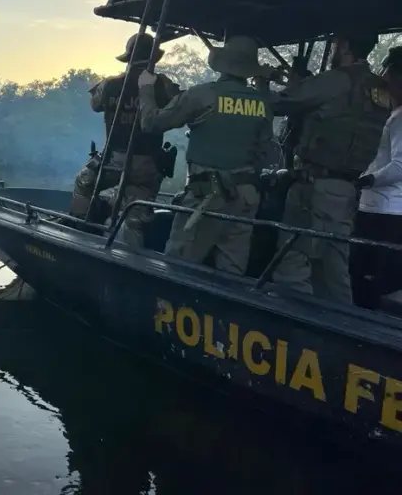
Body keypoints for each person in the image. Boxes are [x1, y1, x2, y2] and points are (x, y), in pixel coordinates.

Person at [263, 33, 392, 304]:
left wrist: (263, 82)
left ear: (344, 46)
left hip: (315, 185)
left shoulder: (337, 80)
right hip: (347, 189)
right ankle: (343, 321)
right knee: (334, 265)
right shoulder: (379, 89)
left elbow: (277, 103)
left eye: (335, 44)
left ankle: (295, 316)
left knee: (293, 257)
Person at [137, 35, 273, 274]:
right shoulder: (262, 102)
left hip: (208, 195)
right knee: (232, 272)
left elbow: (151, 123)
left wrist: (146, 89)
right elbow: (265, 152)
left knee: (179, 266)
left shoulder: (202, 95)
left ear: (223, 64)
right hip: (246, 196)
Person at [69, 32, 181, 247]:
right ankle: (133, 254)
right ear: (153, 58)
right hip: (148, 166)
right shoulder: (164, 85)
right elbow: (178, 108)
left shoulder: (110, 84)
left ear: (128, 57)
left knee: (83, 183)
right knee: (135, 216)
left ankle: (80, 233)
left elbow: (95, 105)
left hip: (113, 161)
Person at [350, 46, 402, 310]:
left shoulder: (400, 119)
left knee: (367, 277)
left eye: (388, 74)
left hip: (383, 210)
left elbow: (400, 165)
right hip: (385, 209)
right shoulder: (393, 115)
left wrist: (367, 180)